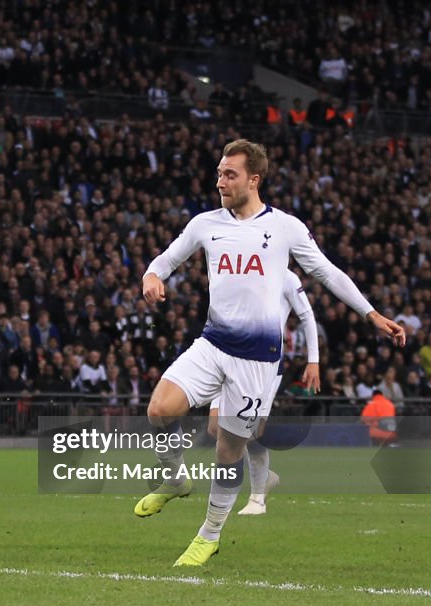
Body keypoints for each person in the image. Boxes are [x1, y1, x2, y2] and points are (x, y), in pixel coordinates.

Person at [140, 138, 405, 567]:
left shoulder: (285, 228)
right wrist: (152, 276)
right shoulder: (205, 224)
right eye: (219, 172)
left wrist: (371, 314)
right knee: (159, 409)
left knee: (228, 448)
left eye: (230, 174)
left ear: (253, 179)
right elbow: (166, 259)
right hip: (212, 343)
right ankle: (174, 481)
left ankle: (209, 535)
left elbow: (327, 272)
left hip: (258, 362)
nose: (220, 181)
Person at [205, 269, 321, 516]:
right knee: (215, 428)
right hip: (226, 354)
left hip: (265, 364)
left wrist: (314, 361)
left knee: (251, 431)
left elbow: (307, 316)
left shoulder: (287, 278)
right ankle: (265, 477)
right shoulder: (237, 270)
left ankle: (258, 497)